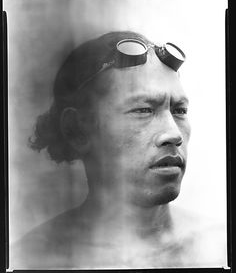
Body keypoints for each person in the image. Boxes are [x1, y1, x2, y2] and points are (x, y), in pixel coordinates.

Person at [11, 31, 225, 269]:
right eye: (143, 110)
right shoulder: (30, 260)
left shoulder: (220, 248)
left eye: (179, 110)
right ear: (77, 130)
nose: (173, 134)